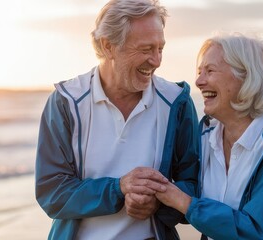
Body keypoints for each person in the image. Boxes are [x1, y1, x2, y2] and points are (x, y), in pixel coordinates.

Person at [35, 0, 199, 239]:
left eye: (160, 48)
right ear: (108, 46)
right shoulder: (66, 102)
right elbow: (51, 193)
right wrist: (119, 188)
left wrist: (158, 202)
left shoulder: (177, 103)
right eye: (145, 49)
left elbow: (195, 186)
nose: (156, 60)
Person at [155, 33, 263, 239]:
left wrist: (183, 201)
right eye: (199, 72)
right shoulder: (208, 134)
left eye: (210, 71)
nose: (199, 81)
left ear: (247, 77)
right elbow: (198, 198)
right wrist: (155, 195)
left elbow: (255, 230)